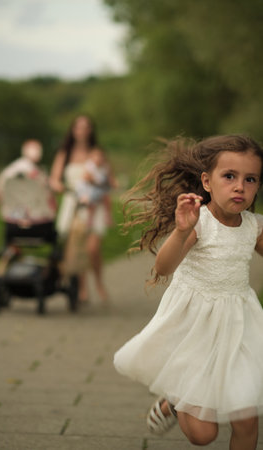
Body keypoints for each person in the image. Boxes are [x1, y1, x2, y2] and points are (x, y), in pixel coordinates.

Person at [114, 135, 263, 449]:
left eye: (250, 179)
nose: (240, 186)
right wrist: (182, 231)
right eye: (230, 177)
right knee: (203, 435)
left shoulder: (253, 226)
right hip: (194, 327)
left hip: (241, 325)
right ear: (207, 182)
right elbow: (164, 269)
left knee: (247, 418)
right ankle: (174, 400)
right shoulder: (199, 222)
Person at [49, 114, 115, 304]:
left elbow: (108, 180)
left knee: (92, 248)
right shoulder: (65, 153)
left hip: (95, 204)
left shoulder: (97, 153)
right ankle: (82, 288)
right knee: (77, 246)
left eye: (86, 127)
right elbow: (54, 178)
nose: (83, 131)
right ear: (73, 130)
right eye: (79, 127)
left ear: (91, 130)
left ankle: (99, 282)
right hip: (73, 205)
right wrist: (58, 186)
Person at [75, 147, 114, 227]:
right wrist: (93, 180)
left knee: (106, 198)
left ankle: (108, 215)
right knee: (91, 202)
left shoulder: (104, 167)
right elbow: (85, 177)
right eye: (96, 156)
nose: (98, 159)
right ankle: (89, 217)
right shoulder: (90, 166)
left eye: (100, 156)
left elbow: (109, 178)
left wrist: (111, 182)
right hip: (89, 188)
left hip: (98, 188)